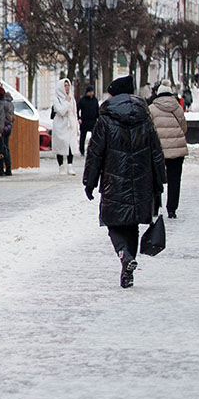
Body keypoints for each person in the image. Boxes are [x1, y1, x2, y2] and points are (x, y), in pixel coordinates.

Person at [83, 76, 166, 289]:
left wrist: (89, 182)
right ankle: (128, 263)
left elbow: (95, 153)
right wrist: (159, 182)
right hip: (142, 180)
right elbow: (156, 152)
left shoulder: (106, 119)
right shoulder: (145, 118)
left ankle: (124, 255)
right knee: (133, 223)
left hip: (114, 180)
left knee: (114, 223)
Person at [148, 84, 189, 219]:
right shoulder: (177, 107)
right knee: (174, 179)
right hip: (177, 149)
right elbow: (184, 127)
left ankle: (154, 206)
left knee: (155, 178)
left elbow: (148, 129)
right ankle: (172, 209)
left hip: (158, 149)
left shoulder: (151, 109)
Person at [50, 78, 79, 175]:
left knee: (70, 145)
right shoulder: (56, 99)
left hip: (70, 124)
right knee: (61, 145)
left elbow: (74, 112)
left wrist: (76, 125)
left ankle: (70, 165)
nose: (67, 88)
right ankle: (61, 165)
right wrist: (66, 102)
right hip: (60, 124)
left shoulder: (71, 98)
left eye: (68, 86)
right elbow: (61, 111)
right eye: (65, 86)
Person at [0, 87, 15, 176]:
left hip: (0, 129)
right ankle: (8, 168)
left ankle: (0, 168)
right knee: (6, 148)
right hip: (8, 128)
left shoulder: (0, 104)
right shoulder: (10, 104)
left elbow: (0, 118)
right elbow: (12, 117)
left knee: (0, 149)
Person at [76, 85, 99, 156]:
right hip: (84, 121)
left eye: (92, 92)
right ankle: (82, 150)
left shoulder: (95, 100)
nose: (92, 93)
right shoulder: (82, 100)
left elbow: (97, 109)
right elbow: (77, 109)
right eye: (90, 92)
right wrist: (79, 118)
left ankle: (93, 149)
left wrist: (98, 117)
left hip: (93, 120)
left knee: (94, 137)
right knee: (83, 136)